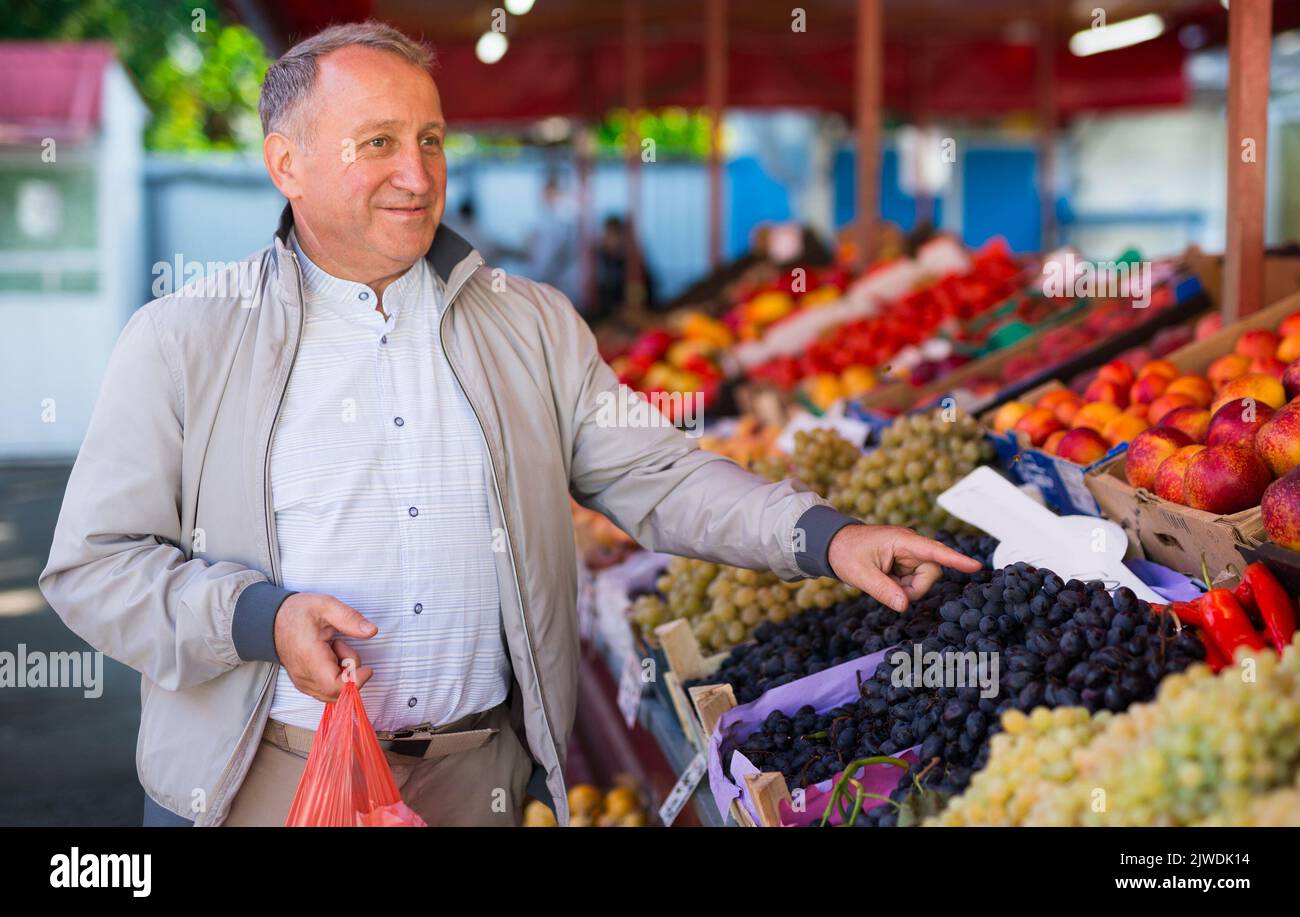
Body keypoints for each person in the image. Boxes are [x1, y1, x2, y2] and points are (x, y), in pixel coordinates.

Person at [39, 20, 979, 828]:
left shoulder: (529, 322)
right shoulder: (184, 339)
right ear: (286, 162)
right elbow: (95, 565)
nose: (417, 173)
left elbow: (655, 475)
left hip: (477, 780)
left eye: (432, 139)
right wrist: (260, 616)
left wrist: (825, 535)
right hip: (265, 778)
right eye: (377, 143)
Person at [523, 176, 582, 307]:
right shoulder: (546, 220)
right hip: (549, 285)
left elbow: (551, 260)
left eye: (548, 193)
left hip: (558, 286)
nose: (545, 197)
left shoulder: (563, 220)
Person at [594, 214, 656, 323]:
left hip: (632, 314)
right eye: (606, 234)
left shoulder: (632, 262)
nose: (605, 239)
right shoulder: (600, 258)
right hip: (609, 315)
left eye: (611, 235)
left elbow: (646, 289)